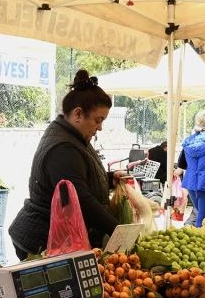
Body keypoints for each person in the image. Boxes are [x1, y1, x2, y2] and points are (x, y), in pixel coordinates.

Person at [8, 70, 125, 259]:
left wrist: (109, 178)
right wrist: (119, 231)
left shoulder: (73, 137)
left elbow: (79, 176)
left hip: (50, 237)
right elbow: (80, 198)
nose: (100, 127)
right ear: (78, 114)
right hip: (40, 240)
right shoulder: (63, 147)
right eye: (98, 120)